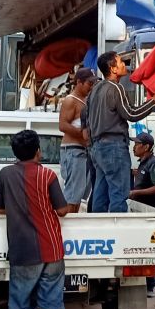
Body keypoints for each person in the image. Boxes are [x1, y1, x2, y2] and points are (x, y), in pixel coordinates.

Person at [0, 129, 71, 309]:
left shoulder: (5, 175)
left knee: (18, 303)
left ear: (15, 153)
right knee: (47, 302)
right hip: (53, 249)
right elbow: (62, 210)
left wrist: (16, 209)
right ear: (38, 151)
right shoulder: (48, 176)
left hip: (23, 251)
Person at [82, 51, 155, 213]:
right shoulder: (116, 88)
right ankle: (117, 234)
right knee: (119, 194)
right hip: (114, 148)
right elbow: (131, 114)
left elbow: (86, 118)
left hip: (97, 148)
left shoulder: (94, 90)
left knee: (100, 195)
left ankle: (100, 232)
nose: (125, 64)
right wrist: (154, 101)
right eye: (120, 62)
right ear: (113, 69)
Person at [128, 132, 155, 297]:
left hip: (153, 213)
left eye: (137, 144)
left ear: (147, 147)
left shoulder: (154, 163)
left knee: (151, 249)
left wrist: (137, 192)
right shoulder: (143, 163)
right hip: (142, 211)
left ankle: (152, 285)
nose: (134, 146)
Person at [58, 68, 96, 212]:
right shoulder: (70, 101)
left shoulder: (84, 101)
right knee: (72, 194)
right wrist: (83, 134)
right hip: (73, 150)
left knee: (79, 195)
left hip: (82, 151)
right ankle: (68, 227)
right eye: (89, 83)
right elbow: (62, 125)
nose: (91, 87)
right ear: (79, 82)